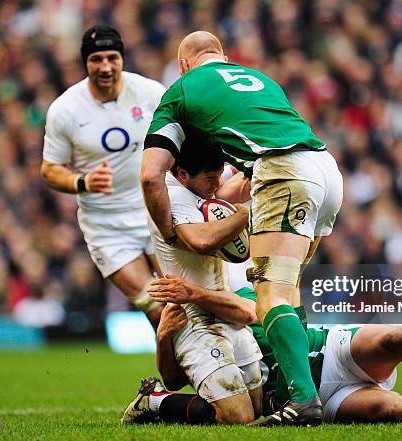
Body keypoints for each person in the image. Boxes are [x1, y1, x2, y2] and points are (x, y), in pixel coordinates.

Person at [141, 30, 343, 426]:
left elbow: (150, 177)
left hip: (284, 172)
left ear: (184, 65)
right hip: (326, 169)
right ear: (225, 57)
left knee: (271, 296)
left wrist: (166, 231)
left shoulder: (183, 89)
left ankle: (302, 401)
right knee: (291, 290)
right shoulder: (261, 80)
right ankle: (293, 393)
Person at [132, 283, 402, 425]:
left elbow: (250, 311)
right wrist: (164, 339)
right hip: (316, 400)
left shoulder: (226, 297)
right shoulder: (183, 321)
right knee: (396, 411)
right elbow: (173, 378)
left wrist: (195, 294)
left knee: (392, 340)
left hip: (329, 351)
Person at [122, 144, 263, 425]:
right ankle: (154, 401)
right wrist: (242, 217)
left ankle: (171, 397)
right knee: (238, 417)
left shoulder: (200, 182)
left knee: (257, 408)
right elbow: (202, 241)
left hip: (222, 305)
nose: (216, 184)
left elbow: (234, 180)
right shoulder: (172, 197)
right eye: (210, 179)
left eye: (219, 175)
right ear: (182, 173)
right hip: (193, 316)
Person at [41, 25, 166, 326]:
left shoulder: (150, 93)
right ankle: (177, 375)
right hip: (107, 226)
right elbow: (49, 169)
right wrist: (81, 182)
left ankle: (184, 374)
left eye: (112, 57)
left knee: (185, 302)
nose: (106, 66)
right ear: (85, 63)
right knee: (158, 309)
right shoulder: (65, 110)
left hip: (156, 211)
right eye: (97, 59)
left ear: (122, 58)